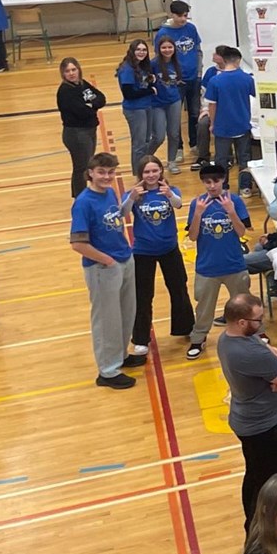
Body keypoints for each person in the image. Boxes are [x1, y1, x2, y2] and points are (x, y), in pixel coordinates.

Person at [218, 293, 277, 528]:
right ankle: (260, 528)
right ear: (241, 322)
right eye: (257, 320)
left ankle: (253, 522)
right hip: (264, 427)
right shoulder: (248, 353)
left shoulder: (229, 339)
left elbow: (267, 349)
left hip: (248, 420)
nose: (261, 324)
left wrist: (276, 370)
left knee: (254, 474)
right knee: (268, 481)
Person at [72, 152, 134, 387]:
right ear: (90, 173)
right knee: (107, 319)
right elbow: (78, 244)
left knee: (126, 313)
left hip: (124, 258)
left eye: (110, 172)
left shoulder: (109, 192)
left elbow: (115, 218)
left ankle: (120, 356)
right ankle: (107, 371)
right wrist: (107, 261)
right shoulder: (83, 203)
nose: (107, 176)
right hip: (103, 267)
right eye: (101, 172)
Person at [125, 157, 194, 365]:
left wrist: (169, 194)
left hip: (169, 249)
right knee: (143, 295)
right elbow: (122, 213)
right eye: (147, 172)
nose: (151, 175)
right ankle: (140, 339)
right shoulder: (135, 194)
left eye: (155, 170)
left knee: (178, 288)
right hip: (142, 252)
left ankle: (186, 327)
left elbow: (179, 204)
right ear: (140, 174)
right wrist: (131, 198)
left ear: (161, 171)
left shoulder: (170, 190)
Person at [187, 162, 252, 359]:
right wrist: (197, 214)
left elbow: (242, 231)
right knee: (204, 308)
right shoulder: (196, 204)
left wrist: (231, 211)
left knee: (244, 304)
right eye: (207, 182)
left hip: (234, 264)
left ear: (223, 180)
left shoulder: (235, 201)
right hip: (207, 267)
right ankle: (198, 338)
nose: (212, 186)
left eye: (215, 181)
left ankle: (255, 332)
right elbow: (193, 236)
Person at [207, 44, 257, 194]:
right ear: (238, 60)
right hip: (242, 124)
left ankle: (223, 187)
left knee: (221, 159)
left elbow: (212, 106)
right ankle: (245, 187)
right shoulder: (247, 79)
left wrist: (212, 123)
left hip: (223, 127)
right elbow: (256, 97)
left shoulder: (215, 81)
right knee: (244, 158)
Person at [157, 1, 204, 159]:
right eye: (180, 16)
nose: (183, 19)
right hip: (175, 82)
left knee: (194, 113)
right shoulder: (163, 33)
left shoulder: (191, 28)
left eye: (185, 15)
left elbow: (198, 51)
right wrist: (170, 78)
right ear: (172, 15)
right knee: (174, 117)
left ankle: (195, 144)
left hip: (193, 79)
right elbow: (160, 59)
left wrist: (198, 73)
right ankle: (178, 149)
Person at [57, 57, 105, 197]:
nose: (71, 73)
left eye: (74, 69)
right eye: (67, 71)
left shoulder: (82, 84)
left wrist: (92, 105)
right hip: (76, 133)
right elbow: (82, 112)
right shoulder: (66, 91)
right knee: (82, 168)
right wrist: (91, 106)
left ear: (79, 70)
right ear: (63, 73)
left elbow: (101, 98)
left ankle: (81, 195)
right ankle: (80, 198)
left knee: (85, 164)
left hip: (89, 130)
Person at [117, 38, 159, 163]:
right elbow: (129, 93)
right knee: (139, 144)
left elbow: (140, 84)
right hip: (135, 109)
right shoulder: (127, 69)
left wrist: (149, 80)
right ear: (132, 51)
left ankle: (143, 169)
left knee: (146, 141)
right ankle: (138, 174)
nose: (141, 52)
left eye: (144, 50)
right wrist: (150, 91)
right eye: (138, 50)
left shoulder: (141, 66)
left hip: (146, 106)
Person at [151, 36, 185, 165]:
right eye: (164, 47)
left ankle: (171, 161)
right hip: (157, 103)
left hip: (174, 101)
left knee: (174, 134)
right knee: (159, 136)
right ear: (159, 49)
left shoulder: (177, 63)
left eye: (170, 47)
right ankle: (144, 160)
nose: (167, 50)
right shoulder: (153, 64)